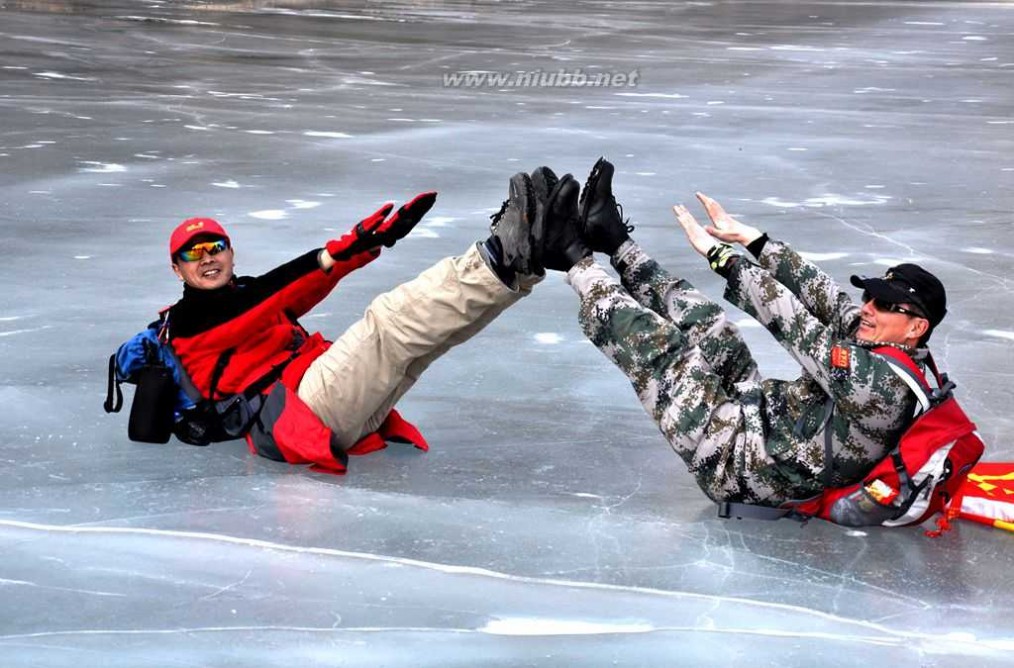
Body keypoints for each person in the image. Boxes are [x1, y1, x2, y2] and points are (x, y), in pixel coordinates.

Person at [536, 158, 949, 507]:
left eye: (884, 304)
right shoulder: (879, 338)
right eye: (871, 297)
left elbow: (791, 320)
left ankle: (572, 258)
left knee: (664, 351)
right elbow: (822, 295)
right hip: (757, 415)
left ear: (917, 327)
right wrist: (755, 240)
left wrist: (721, 256)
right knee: (709, 325)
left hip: (735, 462)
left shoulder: (879, 387)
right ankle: (613, 239)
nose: (868, 309)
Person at [113, 173, 545, 473]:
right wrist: (332, 252)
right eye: (192, 253)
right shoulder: (189, 322)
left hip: (329, 407)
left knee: (424, 343)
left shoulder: (244, 296)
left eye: (215, 245)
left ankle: (524, 263)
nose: (206, 256)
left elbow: (295, 292)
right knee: (390, 323)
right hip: (298, 413)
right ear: (177, 270)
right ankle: (497, 255)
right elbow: (272, 296)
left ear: (230, 252)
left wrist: (370, 245)